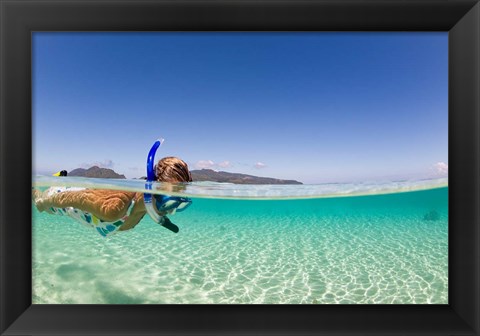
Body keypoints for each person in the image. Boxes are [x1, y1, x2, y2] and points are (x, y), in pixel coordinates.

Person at [33, 140, 193, 237]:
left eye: (180, 204)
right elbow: (70, 198)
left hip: (82, 202)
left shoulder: (147, 203)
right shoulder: (115, 207)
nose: (170, 210)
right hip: (62, 201)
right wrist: (44, 202)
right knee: (40, 203)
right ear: (153, 189)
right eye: (170, 203)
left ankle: (59, 179)